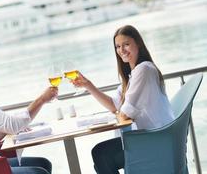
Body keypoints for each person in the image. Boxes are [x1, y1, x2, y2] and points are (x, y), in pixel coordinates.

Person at [72, 25, 174, 174]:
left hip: (156, 141)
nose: (122, 50)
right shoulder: (133, 75)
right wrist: (88, 85)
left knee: (101, 154)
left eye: (126, 44)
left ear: (138, 43)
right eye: (118, 46)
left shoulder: (144, 70)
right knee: (101, 154)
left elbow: (124, 114)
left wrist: (121, 112)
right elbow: (115, 106)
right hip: (153, 138)